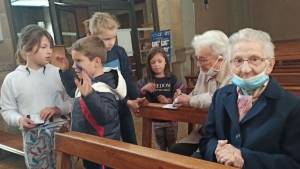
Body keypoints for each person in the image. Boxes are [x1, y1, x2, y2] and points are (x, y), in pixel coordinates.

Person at [199, 28, 300, 169]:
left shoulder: (292, 105)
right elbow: (207, 140)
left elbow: (294, 163)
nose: (245, 69)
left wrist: (244, 158)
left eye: (254, 59)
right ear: (230, 65)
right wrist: (218, 151)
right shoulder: (220, 96)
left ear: (269, 64)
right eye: (238, 61)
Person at [0, 24, 73, 169]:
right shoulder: (12, 78)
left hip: (61, 133)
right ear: (27, 50)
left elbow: (72, 101)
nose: (49, 52)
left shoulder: (59, 73)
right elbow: (7, 110)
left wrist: (58, 109)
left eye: (50, 47)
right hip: (33, 136)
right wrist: (19, 119)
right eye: (43, 47)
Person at [56, 36, 126, 169]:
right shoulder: (88, 82)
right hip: (88, 143)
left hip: (102, 149)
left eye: (78, 61)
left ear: (96, 61)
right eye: (73, 60)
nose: (73, 65)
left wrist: (90, 95)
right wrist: (65, 71)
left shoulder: (104, 87)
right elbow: (74, 92)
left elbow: (106, 116)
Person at [169, 30, 232, 157]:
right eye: (196, 58)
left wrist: (191, 100)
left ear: (220, 58)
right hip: (204, 132)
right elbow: (197, 93)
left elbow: (221, 99)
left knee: (195, 159)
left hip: (224, 136)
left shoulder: (235, 73)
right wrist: (182, 97)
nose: (198, 64)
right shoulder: (205, 70)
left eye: (202, 59)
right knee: (175, 150)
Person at [89, 12, 144, 145]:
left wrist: (137, 97)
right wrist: (126, 102)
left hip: (123, 107)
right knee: (110, 146)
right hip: (103, 111)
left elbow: (127, 78)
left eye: (114, 37)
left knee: (131, 142)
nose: (111, 42)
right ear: (93, 36)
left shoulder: (119, 52)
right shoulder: (88, 57)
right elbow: (94, 92)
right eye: (106, 39)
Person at [137, 46, 183, 151]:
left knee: (173, 146)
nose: (156, 65)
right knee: (160, 147)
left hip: (170, 119)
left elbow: (180, 96)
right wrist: (144, 89)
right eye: (153, 62)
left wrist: (169, 100)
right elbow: (138, 97)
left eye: (159, 61)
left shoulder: (172, 78)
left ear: (165, 62)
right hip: (155, 120)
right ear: (149, 64)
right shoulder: (146, 80)